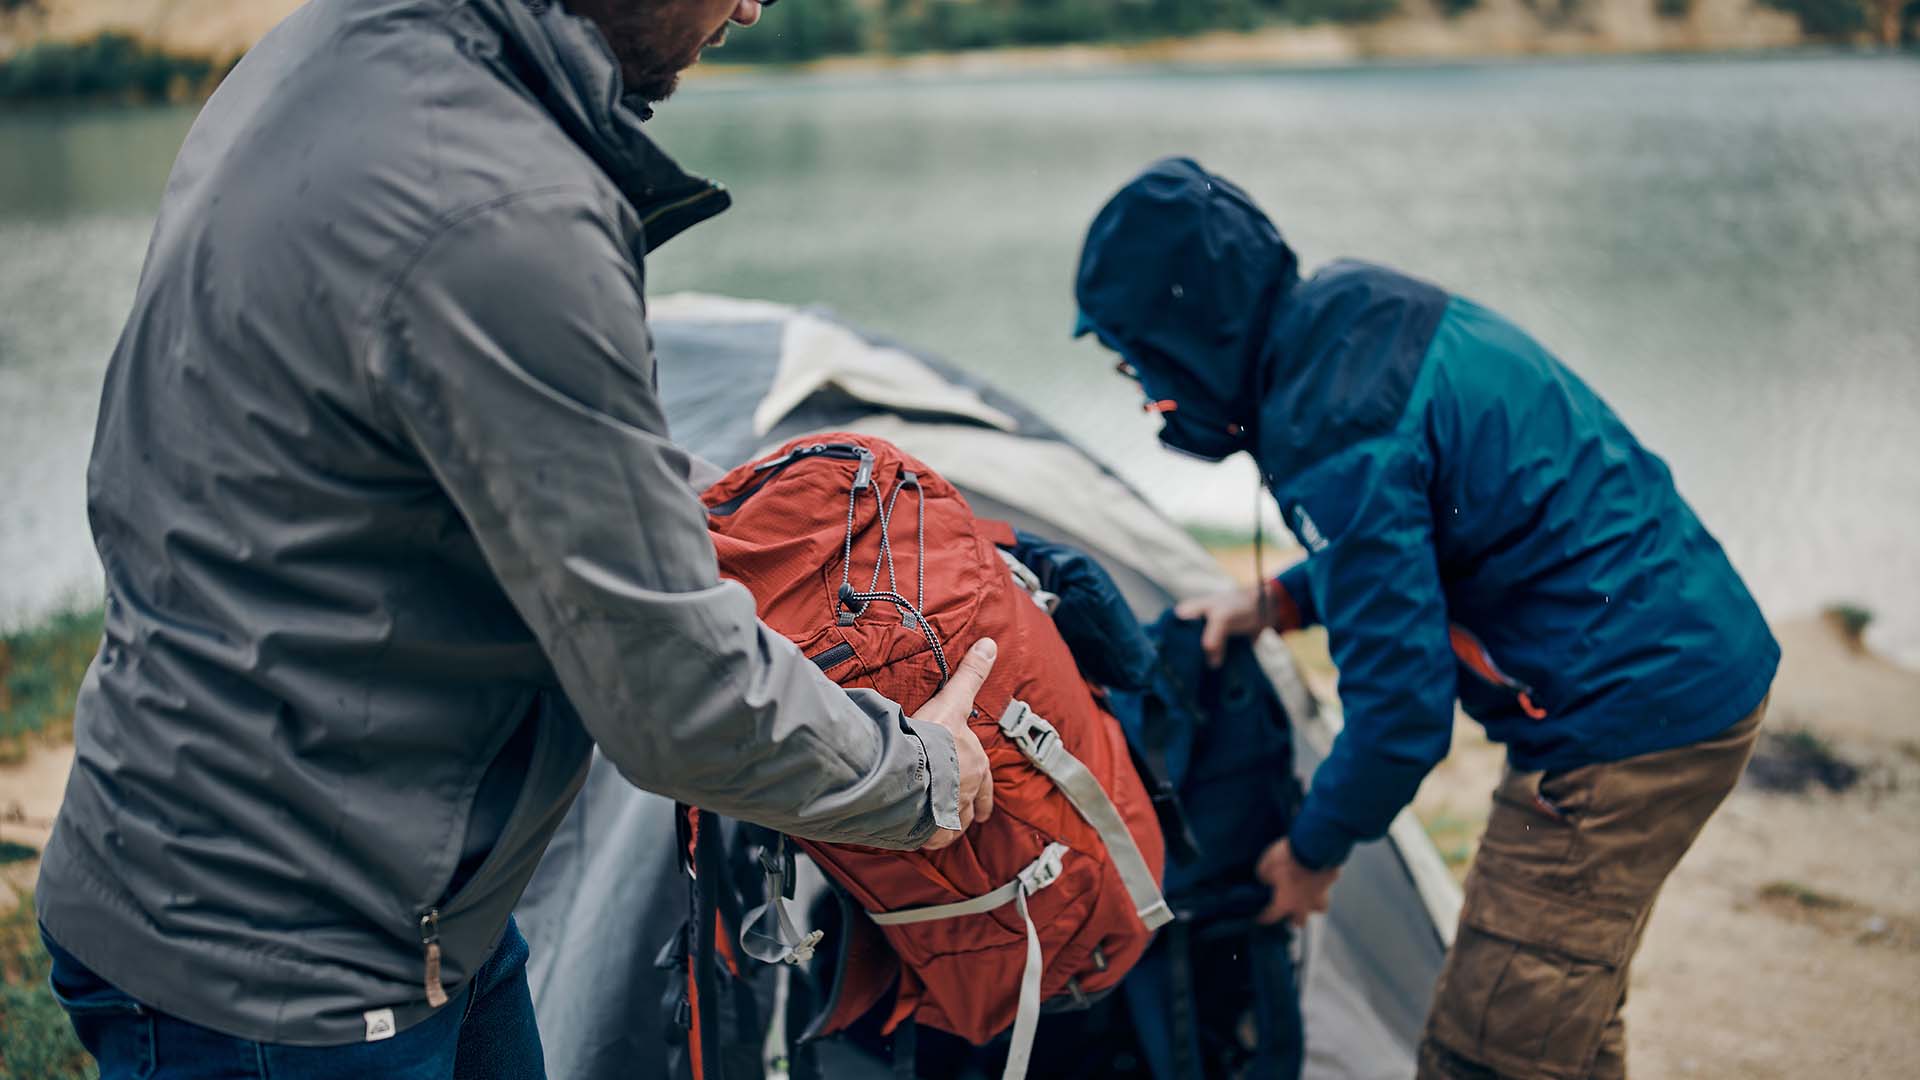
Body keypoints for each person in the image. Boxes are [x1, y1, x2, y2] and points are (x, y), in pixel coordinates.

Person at [35, 2, 997, 1076]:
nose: (752, 5)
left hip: (388, 895)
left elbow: (419, 433)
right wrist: (924, 779)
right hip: (290, 961)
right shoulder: (506, 205)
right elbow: (680, 704)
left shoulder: (345, 40)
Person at [1072, 158, 1777, 1080]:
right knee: (1561, 1021)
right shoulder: (1354, 317)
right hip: (1686, 656)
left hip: (1624, 729)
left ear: (1189, 336)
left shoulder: (1333, 429)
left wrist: (1311, 854)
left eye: (1138, 362)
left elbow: (1403, 718)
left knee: (1484, 1052)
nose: (1141, 390)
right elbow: (1421, 532)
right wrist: (1278, 601)